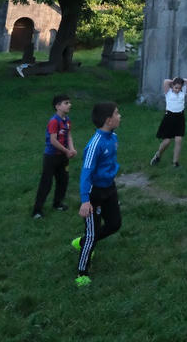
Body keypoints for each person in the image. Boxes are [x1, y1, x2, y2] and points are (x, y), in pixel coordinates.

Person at [73, 102, 122, 287]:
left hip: (110, 188)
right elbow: (86, 173)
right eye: (117, 114)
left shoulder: (113, 137)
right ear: (108, 120)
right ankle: (82, 273)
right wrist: (85, 201)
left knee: (115, 224)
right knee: (92, 234)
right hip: (94, 193)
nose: (120, 116)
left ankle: (84, 242)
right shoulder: (95, 144)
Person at [32, 93, 76, 219]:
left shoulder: (67, 120)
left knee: (63, 181)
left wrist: (72, 148)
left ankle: (57, 204)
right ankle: (37, 211)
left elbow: (68, 135)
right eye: (66, 103)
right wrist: (66, 151)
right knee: (46, 183)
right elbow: (53, 140)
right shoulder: (53, 121)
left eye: (69, 102)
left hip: (63, 157)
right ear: (57, 106)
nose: (69, 105)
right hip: (51, 157)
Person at [150, 77, 187, 167]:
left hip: (180, 117)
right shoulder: (168, 92)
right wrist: (174, 80)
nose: (178, 90)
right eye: (176, 88)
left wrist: (183, 80)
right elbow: (165, 81)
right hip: (169, 117)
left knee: (179, 140)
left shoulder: (183, 91)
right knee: (167, 141)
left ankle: (175, 163)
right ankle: (158, 155)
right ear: (172, 86)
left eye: (179, 88)